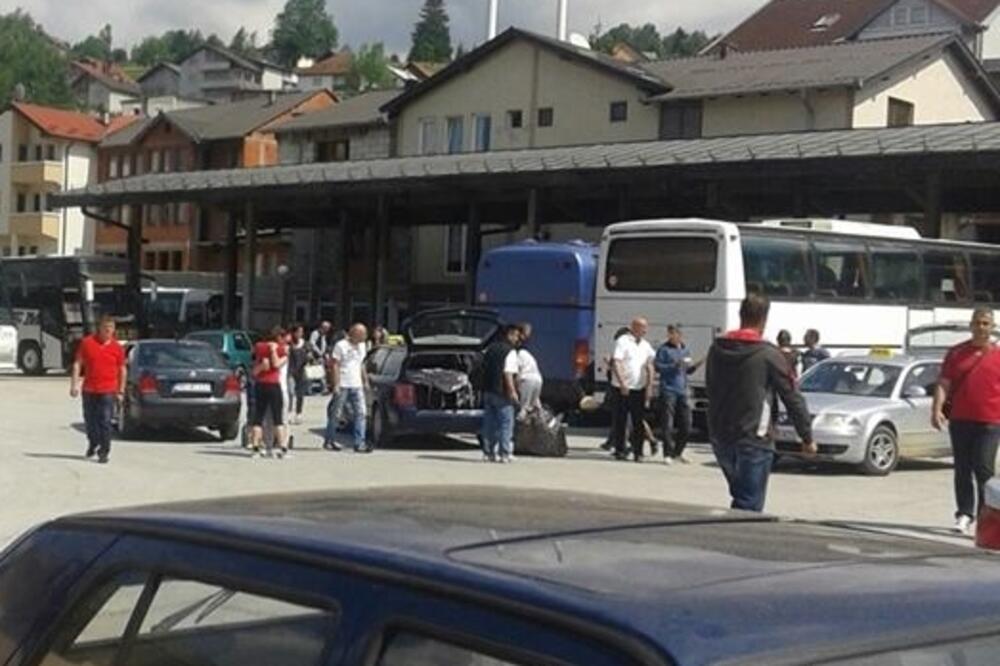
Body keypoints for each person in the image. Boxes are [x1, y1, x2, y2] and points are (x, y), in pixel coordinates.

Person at [706, 295, 816, 512]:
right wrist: (806, 437)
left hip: (720, 436)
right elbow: (792, 396)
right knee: (748, 504)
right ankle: (741, 543)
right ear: (764, 320)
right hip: (754, 437)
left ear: (740, 315)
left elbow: (711, 387)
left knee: (741, 496)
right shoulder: (768, 354)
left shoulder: (716, 349)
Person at [932, 307, 1000, 534]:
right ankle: (964, 513)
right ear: (971, 325)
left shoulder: (998, 355)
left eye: (986, 324)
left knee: (983, 468)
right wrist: (937, 409)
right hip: (961, 419)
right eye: (978, 323)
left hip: (990, 421)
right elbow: (944, 383)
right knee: (962, 468)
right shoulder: (956, 353)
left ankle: (985, 515)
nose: (981, 328)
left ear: (992, 328)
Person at [69, 316, 126, 464]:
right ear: (99, 328)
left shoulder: (117, 348)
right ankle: (93, 442)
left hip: (108, 390)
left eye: (111, 327)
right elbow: (77, 364)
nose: (108, 330)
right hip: (89, 389)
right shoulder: (87, 343)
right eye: (105, 327)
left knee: (105, 420)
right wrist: (74, 384)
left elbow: (122, 369)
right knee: (90, 420)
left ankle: (104, 451)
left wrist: (120, 391)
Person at [654, 325, 703, 465]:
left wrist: (697, 365)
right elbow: (658, 367)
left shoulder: (685, 350)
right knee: (667, 423)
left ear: (680, 335)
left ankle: (678, 452)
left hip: (682, 390)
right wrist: (673, 365)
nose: (672, 337)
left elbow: (687, 370)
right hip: (668, 389)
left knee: (687, 423)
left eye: (674, 334)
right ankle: (667, 453)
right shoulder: (664, 350)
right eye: (670, 334)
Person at [610, 317, 656, 462]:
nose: (645, 330)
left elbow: (650, 365)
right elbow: (616, 361)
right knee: (621, 420)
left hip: (639, 387)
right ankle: (620, 450)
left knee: (638, 421)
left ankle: (638, 452)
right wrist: (622, 382)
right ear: (634, 327)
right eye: (643, 327)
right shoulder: (623, 341)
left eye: (646, 327)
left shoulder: (646, 345)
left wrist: (649, 387)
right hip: (622, 388)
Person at [324, 323, 370, 453]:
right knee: (336, 414)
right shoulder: (341, 345)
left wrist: (365, 380)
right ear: (355, 333)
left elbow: (361, 364)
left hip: (357, 384)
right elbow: (335, 365)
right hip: (343, 383)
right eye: (363, 334)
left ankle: (359, 442)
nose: (365, 337)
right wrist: (336, 384)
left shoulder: (362, 346)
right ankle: (330, 440)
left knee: (361, 413)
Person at [481, 325, 521, 463]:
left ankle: (488, 453)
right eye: (515, 335)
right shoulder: (510, 352)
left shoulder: (490, 349)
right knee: (506, 423)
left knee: (489, 423)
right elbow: (508, 373)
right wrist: (512, 391)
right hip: (502, 392)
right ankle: (504, 453)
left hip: (488, 390)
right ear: (508, 335)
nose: (517, 338)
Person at [250, 326, 289, 459]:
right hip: (273, 384)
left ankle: (255, 448)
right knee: (278, 418)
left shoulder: (259, 346)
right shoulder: (280, 349)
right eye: (283, 338)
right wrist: (273, 351)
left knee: (258, 418)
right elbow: (276, 364)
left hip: (260, 384)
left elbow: (256, 362)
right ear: (279, 337)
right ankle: (282, 448)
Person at [515, 322, 543, 417]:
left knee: (523, 409)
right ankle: (542, 423)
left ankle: (519, 427)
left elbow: (516, 372)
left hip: (526, 379)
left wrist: (515, 386)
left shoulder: (517, 352)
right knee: (534, 406)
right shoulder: (527, 354)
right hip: (538, 379)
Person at [287, 324, 309, 425]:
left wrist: (309, 357)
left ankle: (298, 413)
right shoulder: (289, 343)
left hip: (302, 371)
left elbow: (310, 355)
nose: (300, 334)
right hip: (291, 371)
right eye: (298, 331)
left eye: (301, 332)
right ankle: (289, 413)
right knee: (291, 392)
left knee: (300, 393)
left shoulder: (305, 344)